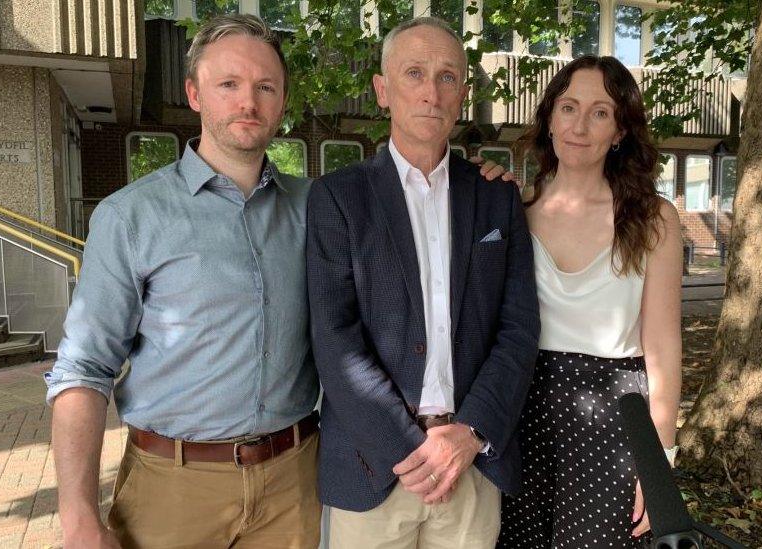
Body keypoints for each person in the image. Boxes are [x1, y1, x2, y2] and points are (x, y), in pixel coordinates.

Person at [43, 14, 514, 548]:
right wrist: (79, 516)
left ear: (282, 100)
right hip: (173, 483)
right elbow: (83, 368)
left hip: (292, 480)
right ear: (194, 93)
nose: (248, 102)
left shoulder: (315, 204)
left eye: (265, 87)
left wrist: (485, 181)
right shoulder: (132, 217)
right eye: (229, 85)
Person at [306, 17, 541, 549]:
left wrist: (472, 431)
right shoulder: (339, 198)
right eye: (414, 73)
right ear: (383, 90)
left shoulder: (496, 198)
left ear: (462, 93)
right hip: (375, 466)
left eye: (447, 76)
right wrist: (407, 449)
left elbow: (519, 327)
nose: (431, 93)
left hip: (471, 462)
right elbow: (335, 338)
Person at [496, 55, 683, 548]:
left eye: (600, 112)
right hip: (521, 411)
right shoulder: (513, 208)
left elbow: (663, 345)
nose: (580, 125)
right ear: (550, 117)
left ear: (620, 131)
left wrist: (659, 458)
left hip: (614, 424)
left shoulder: (652, 218)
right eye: (568, 107)